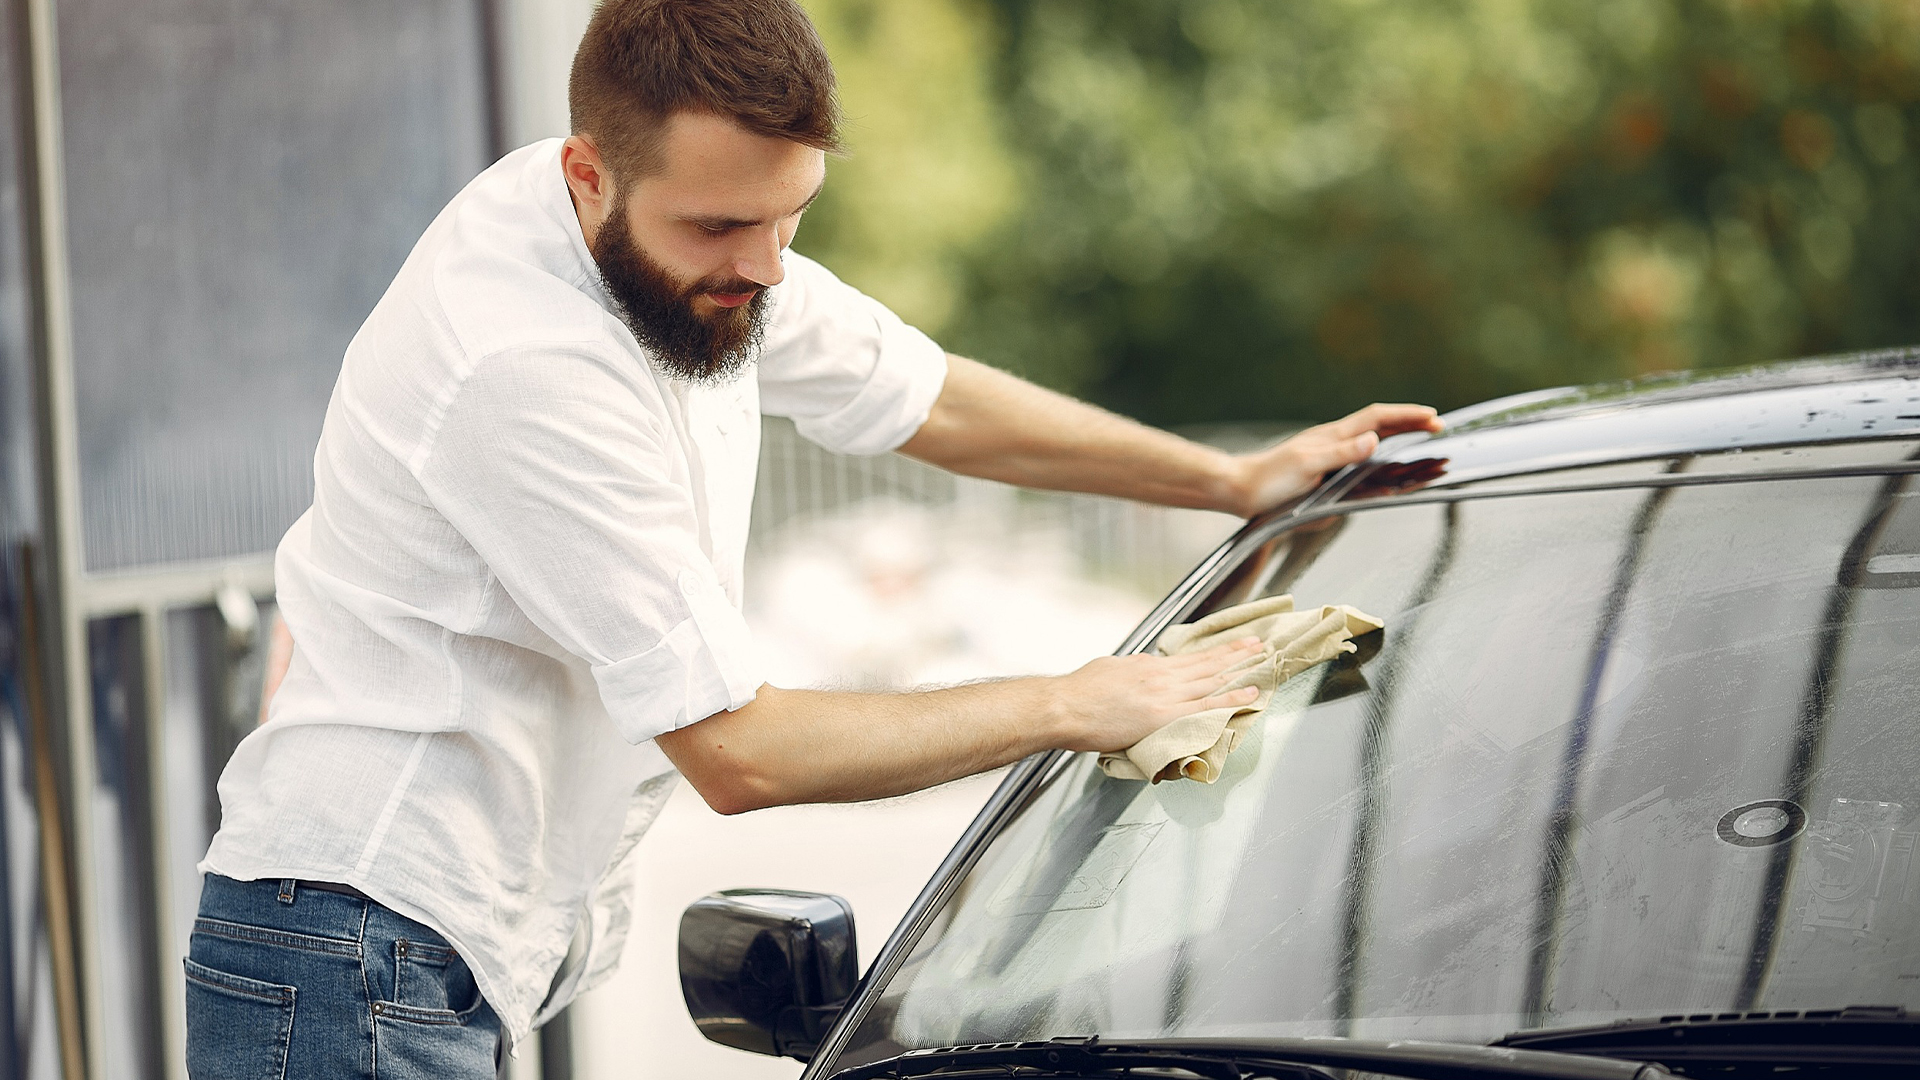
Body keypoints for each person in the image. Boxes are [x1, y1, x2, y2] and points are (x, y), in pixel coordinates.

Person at [186, 1, 1442, 1076]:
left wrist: (1225, 480)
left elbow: (930, 397)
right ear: (587, 174)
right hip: (352, 943)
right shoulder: (522, 364)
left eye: (790, 219)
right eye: (723, 230)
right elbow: (741, 750)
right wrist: (1075, 701)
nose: (767, 269)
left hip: (403, 947)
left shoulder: (693, 241)